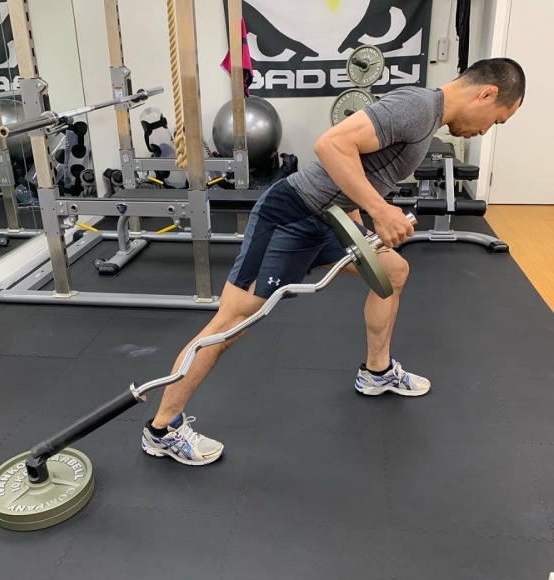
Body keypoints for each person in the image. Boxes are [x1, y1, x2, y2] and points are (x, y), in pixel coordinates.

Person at [142, 57, 526, 466]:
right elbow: (331, 145)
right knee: (230, 324)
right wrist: (381, 211)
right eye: (496, 120)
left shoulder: (428, 117)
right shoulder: (417, 108)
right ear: (486, 94)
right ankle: (162, 428)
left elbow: (362, 167)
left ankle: (377, 372)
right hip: (290, 217)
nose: (486, 131)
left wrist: (359, 223)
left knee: (392, 272)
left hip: (331, 219)